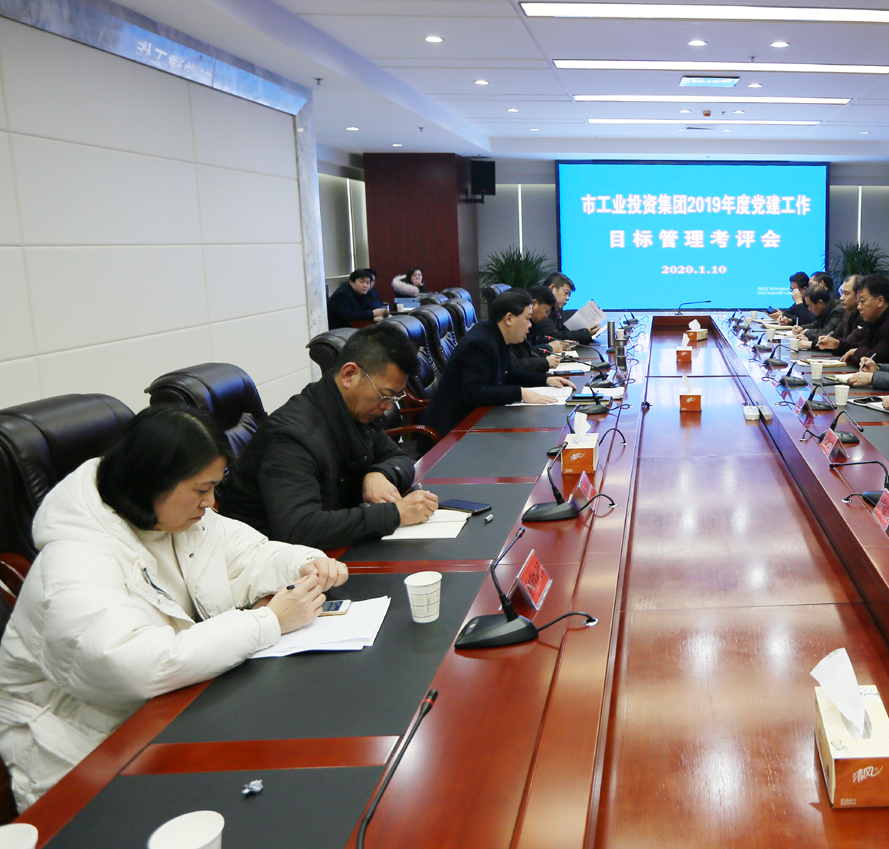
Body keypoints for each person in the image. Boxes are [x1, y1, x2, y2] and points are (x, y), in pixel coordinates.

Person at [0, 406, 344, 810]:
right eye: (201, 489)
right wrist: (267, 622)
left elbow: (249, 555)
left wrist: (305, 562)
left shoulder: (172, 517)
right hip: (76, 749)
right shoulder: (74, 562)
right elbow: (134, 666)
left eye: (215, 486)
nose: (211, 502)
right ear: (151, 481)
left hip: (168, 711)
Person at [217, 325, 440, 549]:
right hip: (265, 557)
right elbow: (300, 529)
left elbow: (399, 458)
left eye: (395, 397)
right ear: (349, 375)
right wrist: (395, 513)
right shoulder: (292, 437)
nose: (388, 406)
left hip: (329, 545)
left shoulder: (355, 410)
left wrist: (378, 474)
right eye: (385, 395)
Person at [422, 290, 577, 438]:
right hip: (453, 432)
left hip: (476, 421)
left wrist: (545, 379)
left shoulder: (497, 336)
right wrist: (520, 393)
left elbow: (510, 373)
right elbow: (473, 393)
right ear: (509, 319)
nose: (530, 325)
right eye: (527, 319)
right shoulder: (480, 344)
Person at [836, 275, 889, 365]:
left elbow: (877, 357)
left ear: (880, 301)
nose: (859, 307)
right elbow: (864, 346)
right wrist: (838, 344)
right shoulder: (874, 319)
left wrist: (856, 352)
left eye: (862, 301)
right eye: (858, 302)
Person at [537, 273, 600, 343]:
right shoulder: (541, 308)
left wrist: (587, 331)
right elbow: (553, 336)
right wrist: (585, 333)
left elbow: (563, 332)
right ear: (552, 288)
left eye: (569, 295)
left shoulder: (555, 310)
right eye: (566, 293)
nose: (568, 298)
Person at [809, 276, 861, 351]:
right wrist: (811, 337)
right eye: (842, 293)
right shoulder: (848, 312)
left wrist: (812, 344)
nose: (841, 298)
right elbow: (835, 334)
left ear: (859, 295)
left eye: (846, 293)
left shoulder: (864, 316)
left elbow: (848, 343)